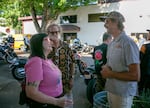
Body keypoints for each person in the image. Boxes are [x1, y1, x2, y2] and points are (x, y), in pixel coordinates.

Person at [100, 11, 140, 108]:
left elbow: (136, 76)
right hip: (111, 90)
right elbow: (113, 65)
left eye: (107, 21)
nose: (105, 25)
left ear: (116, 23)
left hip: (123, 94)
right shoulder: (112, 43)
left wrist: (110, 74)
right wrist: (106, 67)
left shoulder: (128, 43)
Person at [24, 33, 73, 108]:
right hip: (46, 104)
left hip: (57, 100)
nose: (50, 42)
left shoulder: (47, 60)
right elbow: (31, 92)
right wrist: (56, 102)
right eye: (46, 39)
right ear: (38, 44)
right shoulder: (36, 61)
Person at [46, 23, 75, 107]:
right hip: (50, 85)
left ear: (60, 33)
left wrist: (72, 78)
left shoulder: (66, 46)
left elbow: (73, 62)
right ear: (48, 33)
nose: (55, 34)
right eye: (52, 33)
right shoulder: (46, 47)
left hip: (65, 82)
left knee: (68, 104)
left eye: (57, 32)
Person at [138, 29, 150, 94]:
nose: (148, 34)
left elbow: (138, 59)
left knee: (142, 91)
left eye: (149, 33)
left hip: (144, 74)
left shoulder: (144, 47)